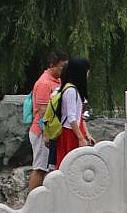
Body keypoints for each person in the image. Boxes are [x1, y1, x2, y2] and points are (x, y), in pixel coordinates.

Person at [27, 50, 68, 192]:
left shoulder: (58, 81)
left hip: (53, 131)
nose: (64, 69)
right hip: (41, 132)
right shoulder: (44, 83)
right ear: (52, 65)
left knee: (49, 167)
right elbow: (43, 111)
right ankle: (32, 200)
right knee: (40, 168)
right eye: (61, 66)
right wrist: (46, 134)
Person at [54, 56, 94, 168]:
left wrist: (86, 134)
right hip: (70, 132)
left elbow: (79, 116)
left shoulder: (73, 89)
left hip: (73, 130)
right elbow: (71, 118)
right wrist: (80, 138)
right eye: (86, 70)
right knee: (72, 166)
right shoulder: (71, 91)